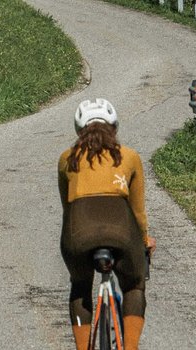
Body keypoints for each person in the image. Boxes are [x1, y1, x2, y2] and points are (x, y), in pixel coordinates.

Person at [58, 98, 157, 350]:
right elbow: (138, 211)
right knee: (134, 285)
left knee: (80, 286)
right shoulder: (129, 157)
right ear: (114, 127)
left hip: (78, 232)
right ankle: (131, 347)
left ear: (79, 129)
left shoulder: (66, 159)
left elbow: (67, 208)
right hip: (121, 232)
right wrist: (145, 240)